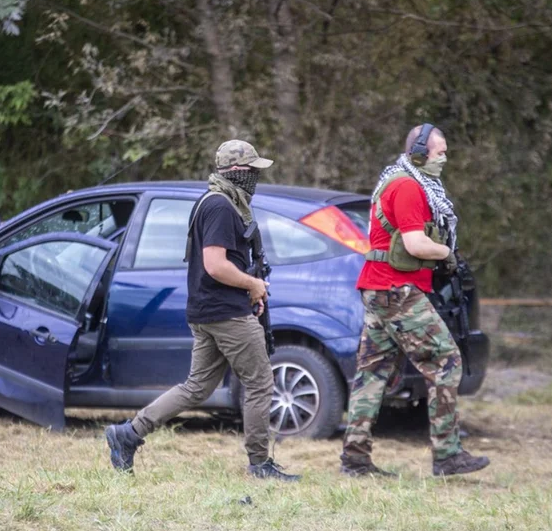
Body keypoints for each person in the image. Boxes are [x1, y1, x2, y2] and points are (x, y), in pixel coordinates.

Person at [105, 140, 299, 481]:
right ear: (238, 172)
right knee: (260, 383)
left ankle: (128, 434)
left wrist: (251, 285)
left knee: (196, 387)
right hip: (227, 314)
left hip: (209, 311)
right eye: (253, 170)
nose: (256, 177)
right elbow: (215, 265)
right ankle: (260, 465)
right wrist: (252, 286)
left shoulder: (216, 201)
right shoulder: (222, 207)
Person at [339, 124, 490, 477]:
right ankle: (447, 454)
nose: (444, 158)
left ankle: (355, 459)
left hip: (382, 289)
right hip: (396, 289)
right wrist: (446, 253)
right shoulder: (408, 187)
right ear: (420, 152)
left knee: (372, 374)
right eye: (440, 152)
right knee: (447, 361)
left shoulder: (400, 181)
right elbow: (415, 245)